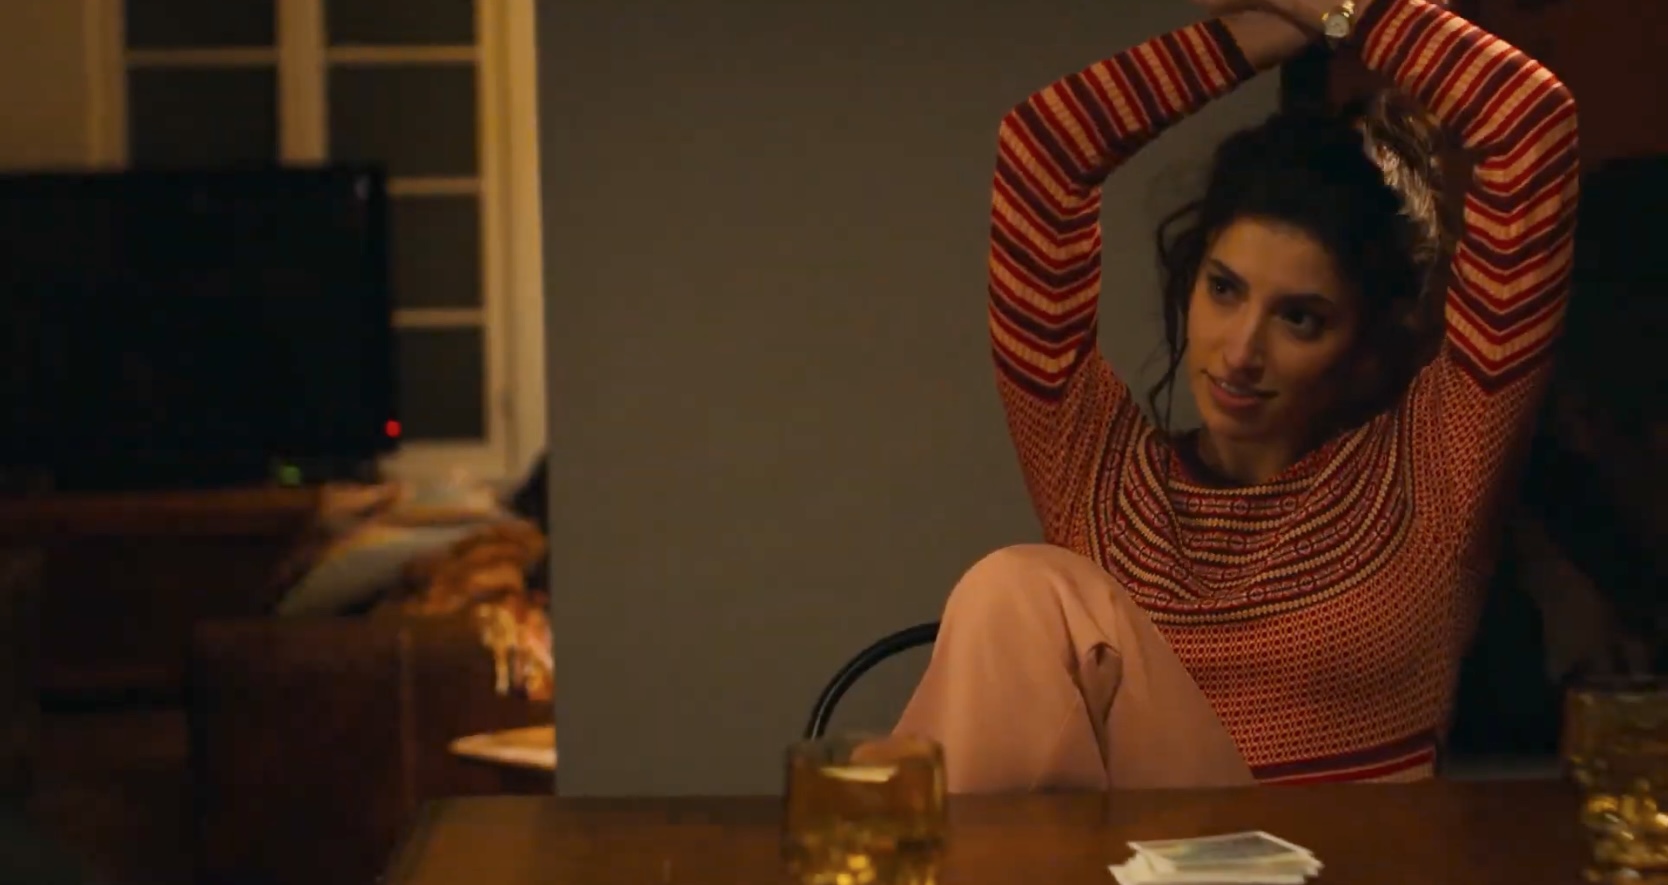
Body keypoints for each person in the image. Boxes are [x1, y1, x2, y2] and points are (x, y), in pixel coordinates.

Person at [894, 0, 1579, 791]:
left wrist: (1340, 10)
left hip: (1351, 849)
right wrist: (1273, 28)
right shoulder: (1100, 472)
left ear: (1363, 340)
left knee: (1014, 589)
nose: (1242, 351)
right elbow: (1045, 149)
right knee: (1014, 590)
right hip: (1154, 851)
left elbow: (1531, 127)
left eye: (1299, 318)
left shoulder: (1434, 466)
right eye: (1224, 289)